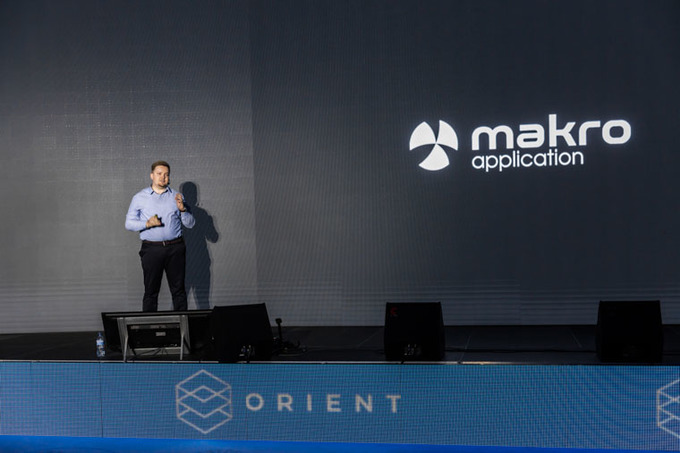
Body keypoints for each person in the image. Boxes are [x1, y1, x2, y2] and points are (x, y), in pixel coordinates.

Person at [125, 161, 196, 311]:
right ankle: (149, 325)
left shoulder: (177, 196)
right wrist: (147, 224)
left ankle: (182, 325)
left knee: (179, 291)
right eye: (159, 174)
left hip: (175, 248)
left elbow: (190, 224)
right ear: (152, 175)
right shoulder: (139, 197)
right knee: (151, 292)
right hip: (151, 249)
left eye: (166, 174)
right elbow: (129, 224)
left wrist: (183, 210)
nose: (163, 177)